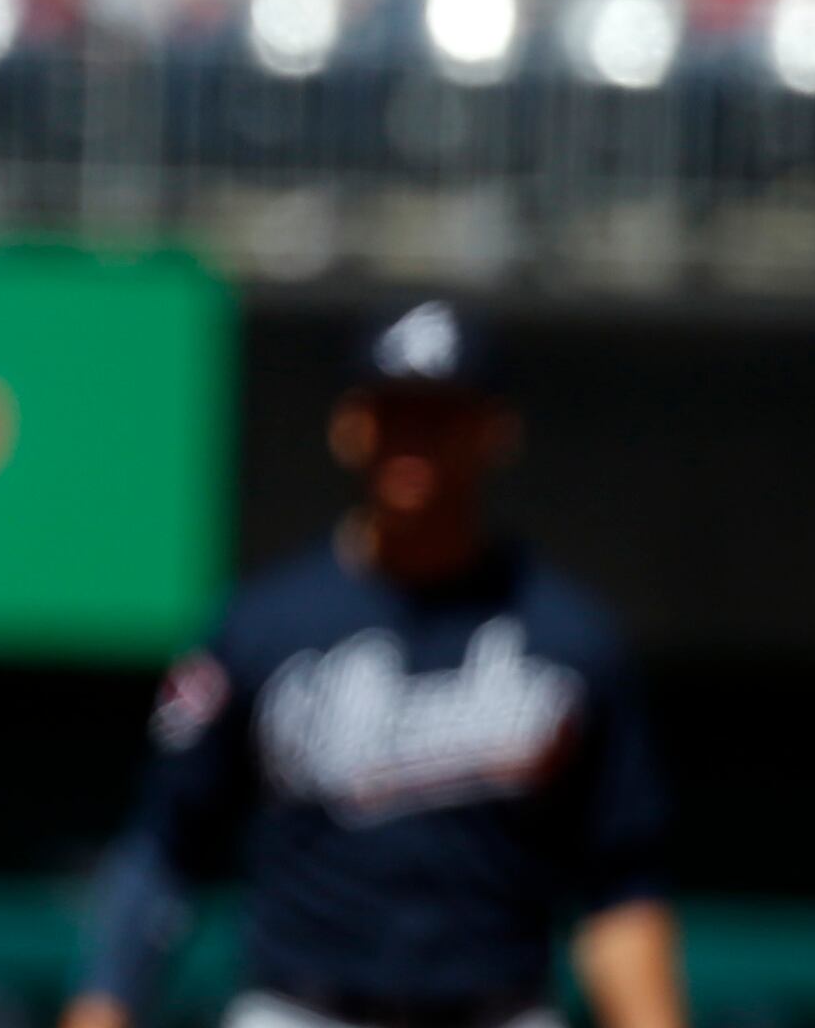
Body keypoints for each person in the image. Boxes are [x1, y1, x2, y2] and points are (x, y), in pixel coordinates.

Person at [64, 302, 684, 1028]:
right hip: (303, 1008)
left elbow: (621, 887)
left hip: (496, 1008)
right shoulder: (262, 627)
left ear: (496, 432)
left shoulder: (572, 642)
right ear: (349, 427)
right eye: (394, 413)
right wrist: (102, 1006)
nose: (413, 439)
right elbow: (167, 847)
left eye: (441, 415)